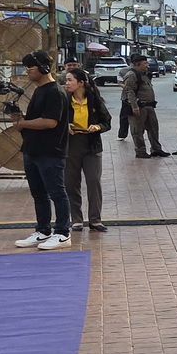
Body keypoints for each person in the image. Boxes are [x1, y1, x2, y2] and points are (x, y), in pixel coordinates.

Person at [10, 50, 72, 250]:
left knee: (57, 192)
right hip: (33, 150)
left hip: (50, 151)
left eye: (31, 67)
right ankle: (43, 230)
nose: (28, 71)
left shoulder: (55, 91)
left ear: (44, 68)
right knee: (38, 193)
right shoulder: (39, 90)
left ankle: (63, 232)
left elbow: (50, 122)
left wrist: (24, 124)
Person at [62, 66, 112, 235]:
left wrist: (97, 126)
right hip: (71, 145)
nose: (66, 83)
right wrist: (65, 125)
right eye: (66, 80)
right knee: (71, 183)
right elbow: (55, 120)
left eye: (70, 80)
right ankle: (76, 219)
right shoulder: (64, 99)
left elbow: (107, 121)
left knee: (93, 181)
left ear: (81, 83)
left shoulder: (94, 99)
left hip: (91, 145)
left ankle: (95, 219)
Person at [117, 54, 169, 159]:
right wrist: (134, 106)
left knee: (153, 128)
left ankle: (156, 149)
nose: (147, 65)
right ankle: (140, 151)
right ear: (137, 64)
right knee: (137, 130)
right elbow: (129, 91)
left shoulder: (144, 74)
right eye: (145, 63)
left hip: (149, 106)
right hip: (139, 107)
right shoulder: (131, 74)